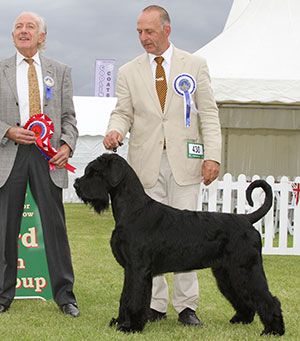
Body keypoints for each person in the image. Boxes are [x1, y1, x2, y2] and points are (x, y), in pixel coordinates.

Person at [103, 5, 221, 326]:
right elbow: (123, 112)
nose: (144, 38)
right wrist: (115, 129)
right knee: (146, 241)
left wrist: (213, 155)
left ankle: (186, 306)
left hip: (187, 163)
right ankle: (153, 305)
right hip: (144, 167)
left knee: (186, 236)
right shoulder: (129, 71)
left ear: (166, 30)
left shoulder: (194, 65)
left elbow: (208, 113)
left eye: (150, 32)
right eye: (140, 32)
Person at [0, 12, 79, 317]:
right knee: (6, 228)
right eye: (18, 27)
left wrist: (67, 145)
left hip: (49, 158)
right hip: (11, 153)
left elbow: (69, 118)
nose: (23, 31)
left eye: (29, 27)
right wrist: (7, 130)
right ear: (12, 35)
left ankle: (65, 296)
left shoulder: (60, 71)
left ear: (41, 36)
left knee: (55, 228)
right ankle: (3, 295)